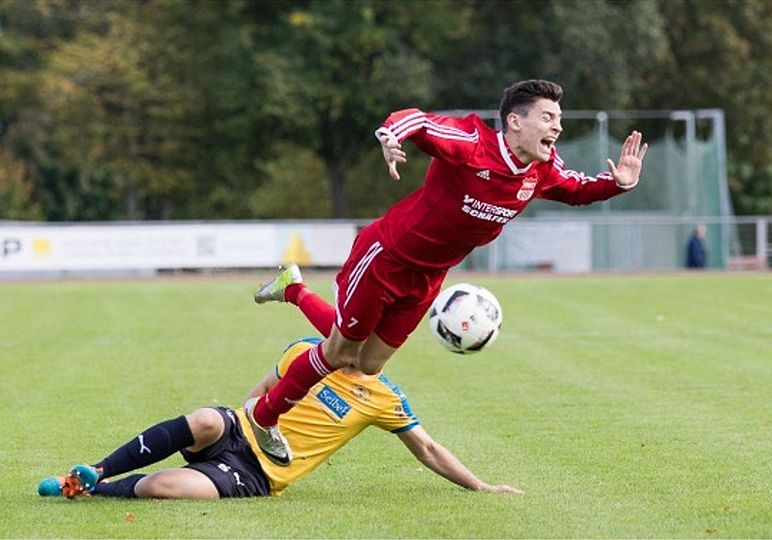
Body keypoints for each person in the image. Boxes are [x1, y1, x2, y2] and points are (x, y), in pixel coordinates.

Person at [246, 79, 649, 466]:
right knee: (340, 354)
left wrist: (620, 184)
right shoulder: (472, 143)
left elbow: (577, 190)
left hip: (428, 279)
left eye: (558, 118)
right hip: (385, 259)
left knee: (366, 366)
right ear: (514, 121)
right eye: (547, 117)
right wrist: (390, 136)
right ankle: (264, 417)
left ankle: (293, 288)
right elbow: (417, 121)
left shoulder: (540, 170)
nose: (557, 127)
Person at [36, 336, 522, 500]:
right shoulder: (307, 350)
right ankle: (97, 468)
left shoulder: (384, 397)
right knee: (205, 418)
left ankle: (90, 489)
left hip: (258, 474)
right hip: (240, 431)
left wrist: (480, 486)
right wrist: (243, 422)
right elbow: (256, 395)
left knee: (166, 488)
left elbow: (429, 449)